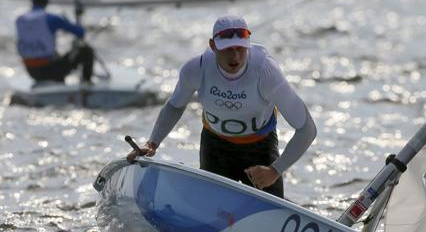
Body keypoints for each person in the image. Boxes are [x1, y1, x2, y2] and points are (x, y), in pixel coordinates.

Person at [126, 15, 317, 198]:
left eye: (241, 49)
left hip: (260, 148)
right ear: (213, 46)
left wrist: (275, 170)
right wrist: (152, 143)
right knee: (210, 211)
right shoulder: (196, 69)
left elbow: (307, 129)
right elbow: (175, 106)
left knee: (271, 216)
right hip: (216, 145)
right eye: (227, 49)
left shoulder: (266, 72)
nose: (235, 56)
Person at [15, 0, 95, 84]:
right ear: (47, 2)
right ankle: (87, 84)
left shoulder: (20, 20)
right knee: (87, 51)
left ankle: (57, 82)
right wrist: (68, 21)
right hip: (49, 69)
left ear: (32, 1)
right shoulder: (51, 19)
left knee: (55, 55)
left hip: (31, 71)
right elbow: (80, 32)